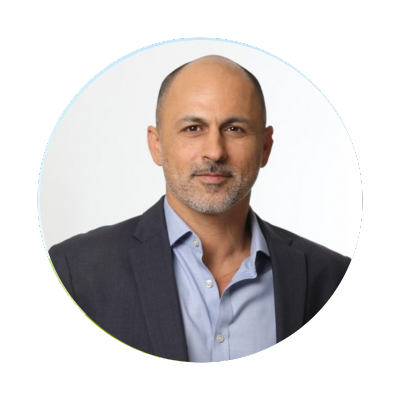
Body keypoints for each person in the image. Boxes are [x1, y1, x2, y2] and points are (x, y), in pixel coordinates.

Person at [49, 55, 351, 362]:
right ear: (157, 145)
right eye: (193, 128)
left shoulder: (331, 277)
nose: (214, 151)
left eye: (234, 129)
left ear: (264, 147)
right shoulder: (74, 272)